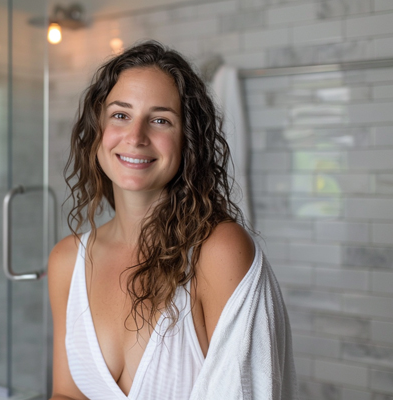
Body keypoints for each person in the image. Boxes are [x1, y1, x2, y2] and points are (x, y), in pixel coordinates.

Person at [48, 41, 298, 400]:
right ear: (97, 129)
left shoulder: (219, 252)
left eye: (161, 120)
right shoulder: (66, 261)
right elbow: (68, 395)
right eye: (121, 115)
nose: (135, 137)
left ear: (188, 141)